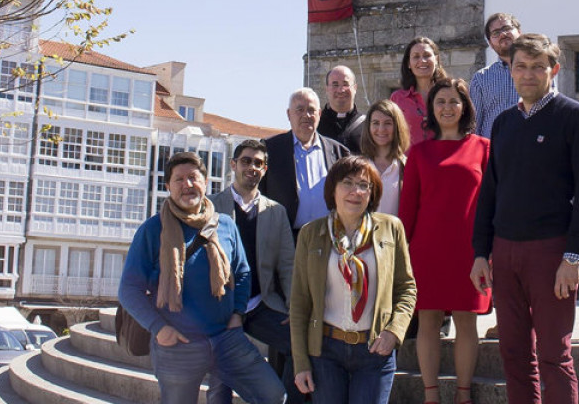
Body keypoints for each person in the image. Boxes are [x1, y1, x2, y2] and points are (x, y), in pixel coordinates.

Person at [470, 34, 579, 404]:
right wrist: (481, 252)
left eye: (537, 66)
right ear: (510, 71)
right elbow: (491, 192)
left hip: (552, 253)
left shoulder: (575, 117)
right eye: (521, 66)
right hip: (505, 252)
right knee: (513, 354)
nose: (528, 74)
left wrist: (573, 256)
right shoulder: (502, 123)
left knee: (553, 355)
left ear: (554, 70)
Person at [118, 152, 285, 404]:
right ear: (168, 187)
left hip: (226, 338)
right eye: (179, 179)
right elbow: (129, 289)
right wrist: (159, 329)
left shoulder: (226, 225)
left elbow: (242, 273)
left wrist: (238, 314)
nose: (187, 185)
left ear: (205, 182)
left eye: (193, 178)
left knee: (274, 394)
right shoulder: (152, 230)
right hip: (178, 345)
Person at [290, 156, 417, 404]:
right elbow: (299, 303)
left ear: (372, 193)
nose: (355, 192)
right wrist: (301, 363)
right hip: (326, 350)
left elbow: (406, 288)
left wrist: (394, 331)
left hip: (374, 351)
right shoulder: (311, 233)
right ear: (333, 189)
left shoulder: (392, 228)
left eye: (364, 185)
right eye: (347, 183)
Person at [398, 78, 490, 404]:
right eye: (440, 102)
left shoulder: (484, 148)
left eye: (454, 101)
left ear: (464, 106)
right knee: (428, 319)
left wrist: (489, 249)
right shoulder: (419, 153)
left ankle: (464, 395)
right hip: (427, 250)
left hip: (471, 250)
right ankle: (431, 395)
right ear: (431, 109)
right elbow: (408, 209)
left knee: (467, 321)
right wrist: (402, 254)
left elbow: (493, 203)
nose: (447, 108)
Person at [207, 140, 301, 403]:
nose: (252, 167)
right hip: (220, 309)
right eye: (246, 161)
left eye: (258, 163)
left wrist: (295, 307)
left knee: (301, 345)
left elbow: (287, 265)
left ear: (265, 169)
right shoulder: (210, 207)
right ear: (234, 165)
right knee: (219, 382)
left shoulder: (276, 212)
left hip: (261, 305)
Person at [259, 88, 350, 241]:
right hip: (285, 240)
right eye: (299, 110)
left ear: (319, 114)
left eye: (311, 110)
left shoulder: (340, 152)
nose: (306, 115)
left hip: (329, 238)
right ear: (289, 114)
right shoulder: (270, 149)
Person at [471, 12, 522, 139]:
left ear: (519, 32)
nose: (503, 34)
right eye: (496, 33)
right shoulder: (481, 79)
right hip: (494, 154)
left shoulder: (539, 72)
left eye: (506, 28)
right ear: (490, 43)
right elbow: (474, 125)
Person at [391, 36, 448, 147]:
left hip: (443, 160)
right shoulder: (397, 98)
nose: (422, 61)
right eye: (416, 57)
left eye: (427, 55)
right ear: (408, 64)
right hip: (409, 162)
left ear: (436, 60)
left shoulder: (450, 95)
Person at [360, 99, 410, 215]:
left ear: (397, 127)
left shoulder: (406, 167)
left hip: (395, 232)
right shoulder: (358, 166)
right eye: (376, 123)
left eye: (388, 123)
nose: (381, 129)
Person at [319, 65, 366, 154]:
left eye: (345, 84)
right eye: (335, 84)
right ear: (327, 89)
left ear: (355, 88)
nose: (341, 90)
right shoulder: (316, 124)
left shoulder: (367, 125)